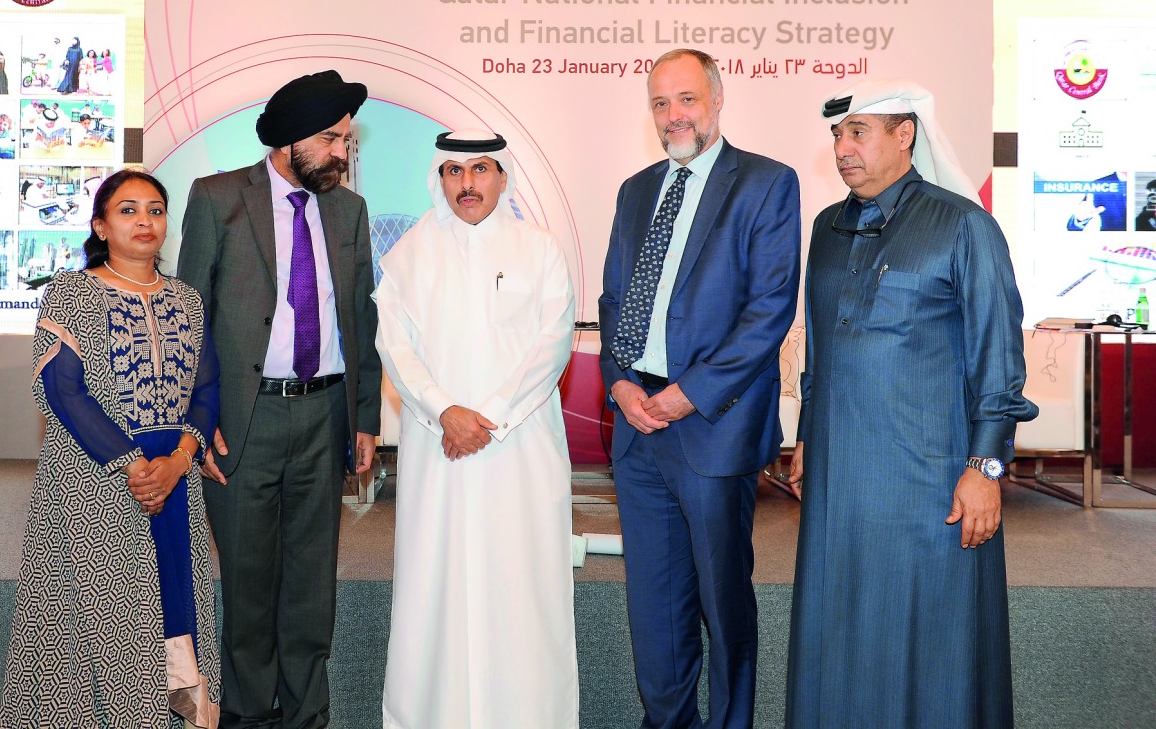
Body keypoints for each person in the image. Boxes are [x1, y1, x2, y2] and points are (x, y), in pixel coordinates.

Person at [785, 79, 1039, 729]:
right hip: (842, 487)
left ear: (905, 135)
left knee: (933, 645)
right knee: (839, 634)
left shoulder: (962, 225)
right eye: (837, 133)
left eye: (858, 132)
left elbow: (1000, 364)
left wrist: (985, 469)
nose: (842, 147)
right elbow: (821, 352)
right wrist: (810, 436)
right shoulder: (827, 227)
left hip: (930, 487)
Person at [599, 48, 801, 728]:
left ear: (717, 100)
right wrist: (621, 386)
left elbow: (770, 309)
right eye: (660, 103)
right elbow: (614, 301)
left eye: (686, 99)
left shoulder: (767, 184)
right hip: (638, 425)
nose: (673, 115)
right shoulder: (635, 190)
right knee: (655, 604)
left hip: (710, 423)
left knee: (722, 600)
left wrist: (689, 393)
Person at [178, 69, 381, 729]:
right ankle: (244, 715)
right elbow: (191, 321)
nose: (342, 153)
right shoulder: (217, 199)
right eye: (331, 139)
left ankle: (305, 717)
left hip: (325, 414)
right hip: (246, 418)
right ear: (290, 139)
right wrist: (199, 421)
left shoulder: (349, 211)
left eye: (348, 141)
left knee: (309, 584)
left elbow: (359, 318)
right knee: (248, 581)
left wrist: (366, 418)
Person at [0, 170, 221, 728]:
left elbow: (208, 386)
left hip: (171, 480)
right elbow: (62, 390)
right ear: (100, 225)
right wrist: (131, 463)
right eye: (128, 210)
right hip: (94, 482)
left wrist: (178, 460)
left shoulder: (188, 300)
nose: (144, 220)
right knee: (99, 620)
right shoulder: (71, 292)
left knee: (174, 606)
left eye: (155, 209)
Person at [377, 129, 579, 729]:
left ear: (503, 176)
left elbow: (553, 344)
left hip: (518, 448)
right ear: (439, 179)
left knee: (524, 592)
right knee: (433, 589)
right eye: (454, 172)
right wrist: (444, 410)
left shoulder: (539, 249)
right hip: (439, 450)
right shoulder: (407, 254)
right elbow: (396, 345)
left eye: (481, 169)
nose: (467, 184)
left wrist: (485, 416)